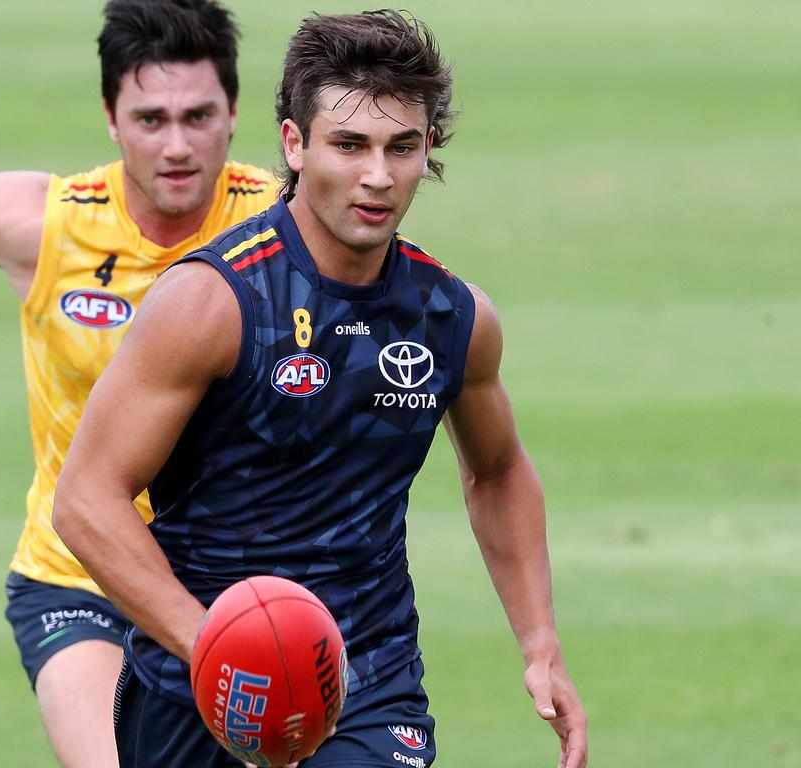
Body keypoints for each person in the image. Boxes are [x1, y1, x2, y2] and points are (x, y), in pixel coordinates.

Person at [53, 8, 587, 768]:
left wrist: (541, 644)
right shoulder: (211, 303)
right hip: (194, 695)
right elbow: (86, 498)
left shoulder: (453, 318)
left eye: (402, 147)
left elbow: (497, 471)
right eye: (349, 144)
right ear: (294, 144)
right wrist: (215, 648)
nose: (378, 176)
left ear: (428, 149)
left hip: (367, 687)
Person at [0, 1, 277, 765]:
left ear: (234, 111)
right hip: (78, 578)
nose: (176, 145)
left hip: (241, 585)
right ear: (110, 117)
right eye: (150, 119)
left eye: (198, 115)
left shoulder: (284, 222)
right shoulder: (53, 225)